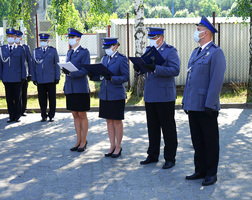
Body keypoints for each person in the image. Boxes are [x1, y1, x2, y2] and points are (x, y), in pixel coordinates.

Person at [182, 15, 226, 186]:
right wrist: (186, 101)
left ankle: (211, 173)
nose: (196, 31)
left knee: (210, 140)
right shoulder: (195, 52)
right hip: (193, 104)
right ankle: (199, 170)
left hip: (206, 105)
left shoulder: (216, 52)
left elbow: (216, 80)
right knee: (197, 139)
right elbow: (190, 79)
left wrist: (210, 103)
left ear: (206, 32)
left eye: (199, 29)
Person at [134, 27, 180, 169]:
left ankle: (170, 157)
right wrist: (139, 68)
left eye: (153, 38)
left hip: (165, 96)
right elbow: (145, 66)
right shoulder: (149, 50)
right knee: (152, 127)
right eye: (150, 38)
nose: (151, 41)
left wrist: (155, 68)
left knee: (168, 128)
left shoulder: (170, 51)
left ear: (160, 37)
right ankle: (153, 155)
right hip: (150, 94)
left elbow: (175, 70)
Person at [89, 37, 129, 158]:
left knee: (117, 120)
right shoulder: (105, 58)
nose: (106, 50)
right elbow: (102, 75)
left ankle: (118, 146)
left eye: (108, 47)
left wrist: (112, 78)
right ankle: (112, 145)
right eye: (105, 48)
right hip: (105, 94)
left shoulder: (121, 59)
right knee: (109, 121)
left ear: (115, 46)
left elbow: (125, 77)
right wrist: (94, 75)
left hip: (116, 95)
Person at [62, 28, 90, 152]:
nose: (70, 39)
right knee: (74, 114)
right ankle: (78, 140)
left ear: (78, 38)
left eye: (72, 37)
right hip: (70, 87)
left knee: (82, 114)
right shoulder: (69, 52)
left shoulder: (84, 52)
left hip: (80, 87)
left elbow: (85, 71)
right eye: (69, 37)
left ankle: (84, 141)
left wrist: (71, 74)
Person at [31, 33, 60, 122]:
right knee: (42, 98)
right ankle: (43, 115)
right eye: (41, 41)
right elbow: (33, 66)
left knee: (52, 98)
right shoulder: (36, 51)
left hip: (51, 78)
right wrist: (34, 78)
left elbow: (57, 64)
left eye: (44, 41)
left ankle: (51, 115)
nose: (43, 42)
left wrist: (57, 77)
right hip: (40, 79)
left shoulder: (53, 51)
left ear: (48, 41)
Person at [0, 28, 26, 123]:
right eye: (9, 36)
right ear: (7, 37)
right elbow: (1, 65)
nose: (10, 38)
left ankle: (17, 115)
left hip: (17, 78)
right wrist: (1, 76)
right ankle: (11, 115)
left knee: (17, 98)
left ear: (15, 37)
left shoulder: (20, 49)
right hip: (7, 77)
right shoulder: (2, 49)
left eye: (12, 36)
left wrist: (24, 76)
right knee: (9, 98)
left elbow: (23, 64)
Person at [15, 30, 32, 117]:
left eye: (18, 37)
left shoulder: (25, 47)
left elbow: (29, 61)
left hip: (24, 74)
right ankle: (15, 110)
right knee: (15, 94)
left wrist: (30, 74)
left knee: (23, 92)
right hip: (14, 75)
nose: (16, 39)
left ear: (21, 38)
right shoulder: (11, 48)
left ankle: (23, 109)